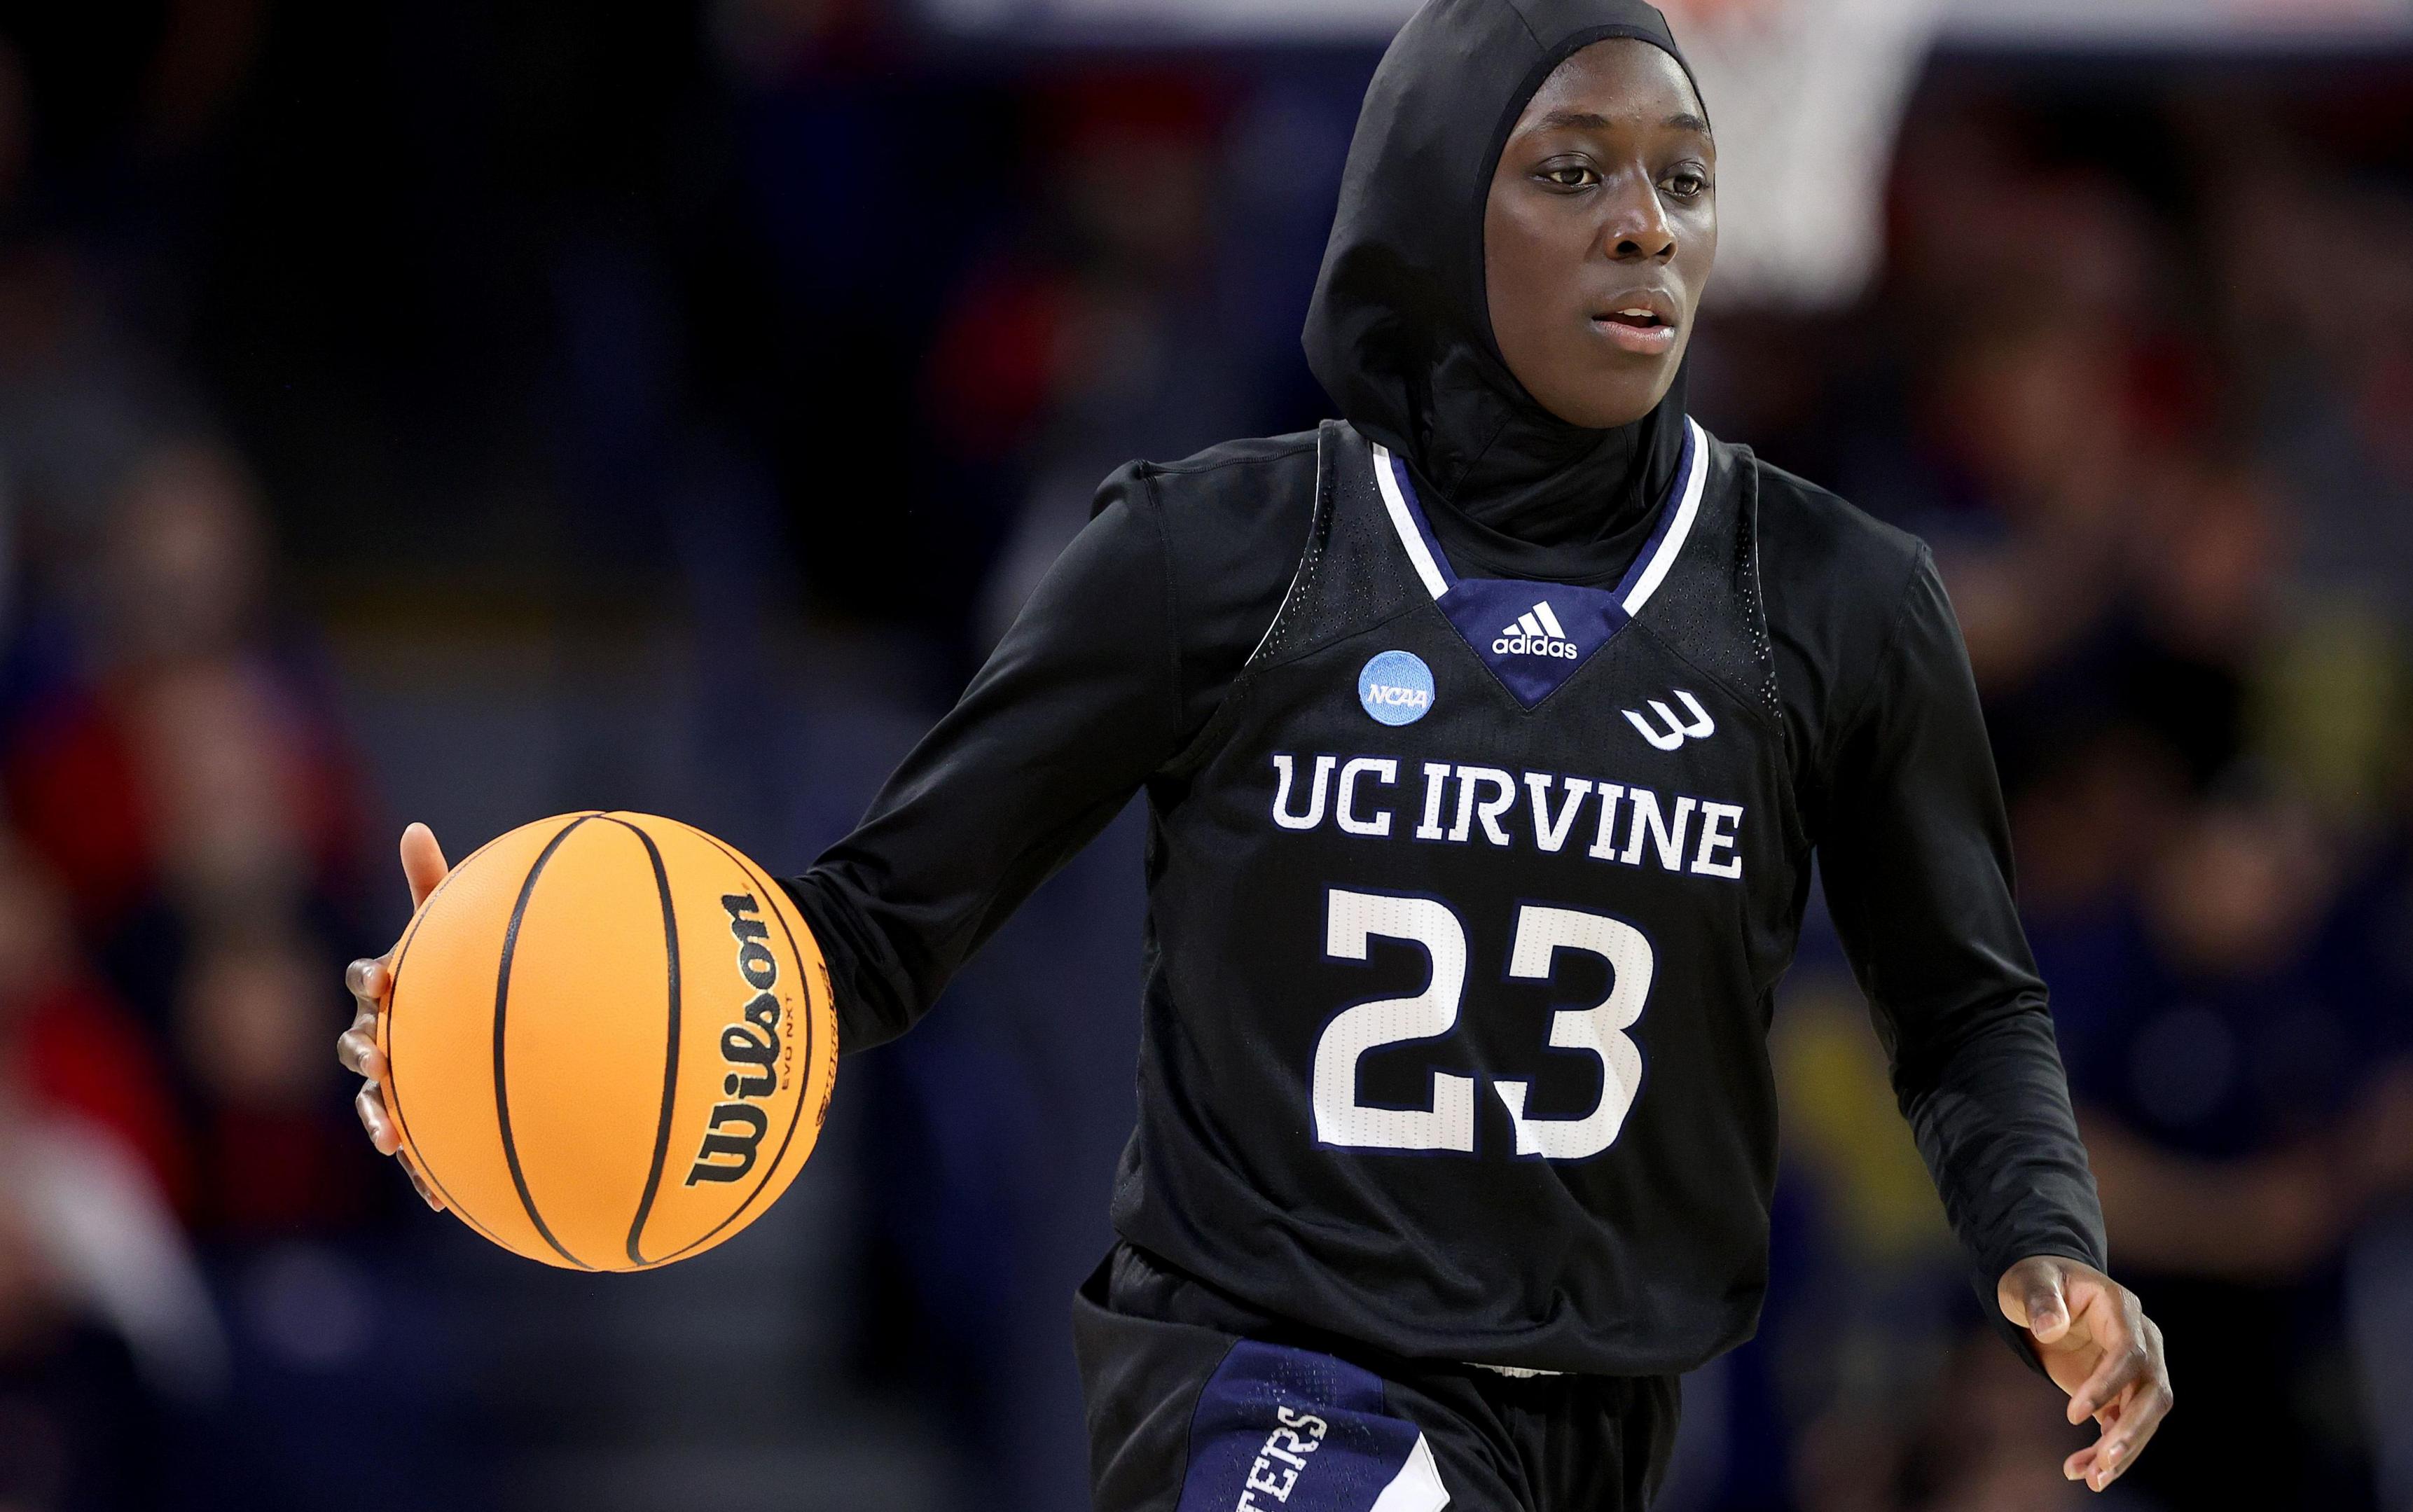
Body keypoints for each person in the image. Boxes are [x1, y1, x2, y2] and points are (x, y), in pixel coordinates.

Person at [340, 2, 2171, 1506]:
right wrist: (533, 1006)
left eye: (1685, 179)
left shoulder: (1842, 596)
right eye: (1576, 175)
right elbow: (873, 932)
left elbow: (1967, 1000)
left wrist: (2048, 1232)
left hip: (1617, 1402)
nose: (1647, 225)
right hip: (1276, 1385)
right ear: (1436, 224)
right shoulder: (1207, 552)